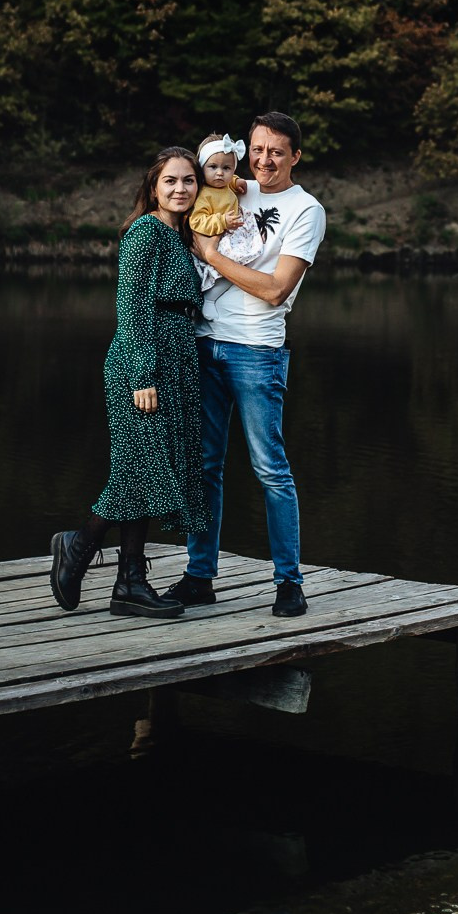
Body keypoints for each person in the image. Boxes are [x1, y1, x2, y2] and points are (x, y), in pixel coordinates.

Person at [162, 111, 326, 618]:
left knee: (270, 469)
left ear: (295, 156)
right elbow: (190, 183)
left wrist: (210, 255)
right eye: (258, 150)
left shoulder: (307, 210)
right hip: (204, 343)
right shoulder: (235, 184)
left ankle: (288, 582)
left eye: (277, 151)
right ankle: (199, 575)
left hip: (256, 351)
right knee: (205, 467)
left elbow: (277, 290)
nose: (264, 160)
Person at [49, 146, 209, 620]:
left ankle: (129, 584)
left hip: (175, 362)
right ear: (153, 188)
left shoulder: (183, 238)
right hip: (141, 365)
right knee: (136, 469)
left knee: (144, 471)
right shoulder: (144, 234)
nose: (181, 189)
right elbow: (133, 306)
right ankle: (79, 546)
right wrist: (143, 374)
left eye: (189, 181)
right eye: (171, 181)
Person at [189, 132, 264, 320]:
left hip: (229, 235)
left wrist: (237, 181)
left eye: (227, 168)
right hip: (213, 236)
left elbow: (231, 179)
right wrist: (222, 221)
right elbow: (196, 221)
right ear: (202, 168)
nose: (220, 173)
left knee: (243, 263)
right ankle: (210, 299)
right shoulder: (204, 194)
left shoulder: (226, 184)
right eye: (213, 167)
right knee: (231, 266)